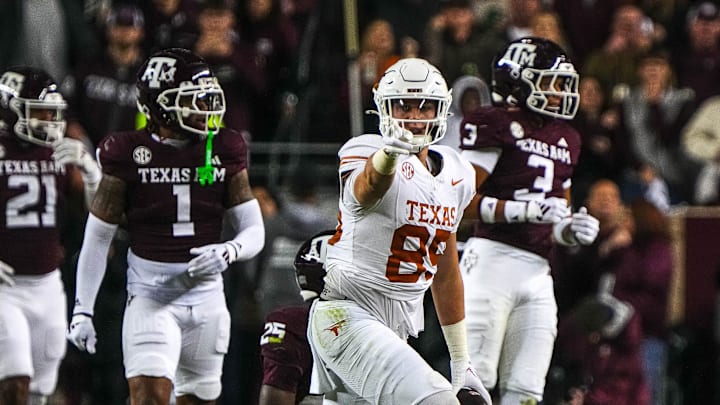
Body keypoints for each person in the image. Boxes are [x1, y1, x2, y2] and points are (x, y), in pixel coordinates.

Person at [65, 48, 265, 405]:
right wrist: (83, 308)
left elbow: (253, 229)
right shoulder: (128, 152)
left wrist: (229, 250)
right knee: (150, 397)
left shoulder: (222, 147)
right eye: (193, 101)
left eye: (207, 99)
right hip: (150, 295)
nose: (206, 110)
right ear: (159, 107)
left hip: (207, 298)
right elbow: (97, 238)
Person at [307, 57, 492, 404]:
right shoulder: (367, 150)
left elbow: (446, 271)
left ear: (442, 111)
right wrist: (389, 156)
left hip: (394, 330)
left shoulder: (456, 171)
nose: (414, 117)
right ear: (383, 108)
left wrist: (461, 360)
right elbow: (367, 188)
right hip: (347, 314)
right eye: (404, 105)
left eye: (425, 108)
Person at [457, 37, 600, 404]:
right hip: (491, 261)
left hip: (538, 272)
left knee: (526, 391)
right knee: (475, 382)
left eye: (563, 84)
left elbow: (557, 213)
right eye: (550, 82)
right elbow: (459, 202)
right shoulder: (494, 123)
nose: (560, 92)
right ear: (518, 80)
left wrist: (571, 231)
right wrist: (521, 210)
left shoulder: (567, 137)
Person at [0, 66, 101, 405]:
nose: (50, 121)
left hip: (47, 285)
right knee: (13, 382)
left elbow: (102, 216)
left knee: (40, 392)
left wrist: (90, 173)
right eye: (41, 112)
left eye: (53, 113)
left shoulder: (59, 152)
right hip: (5, 289)